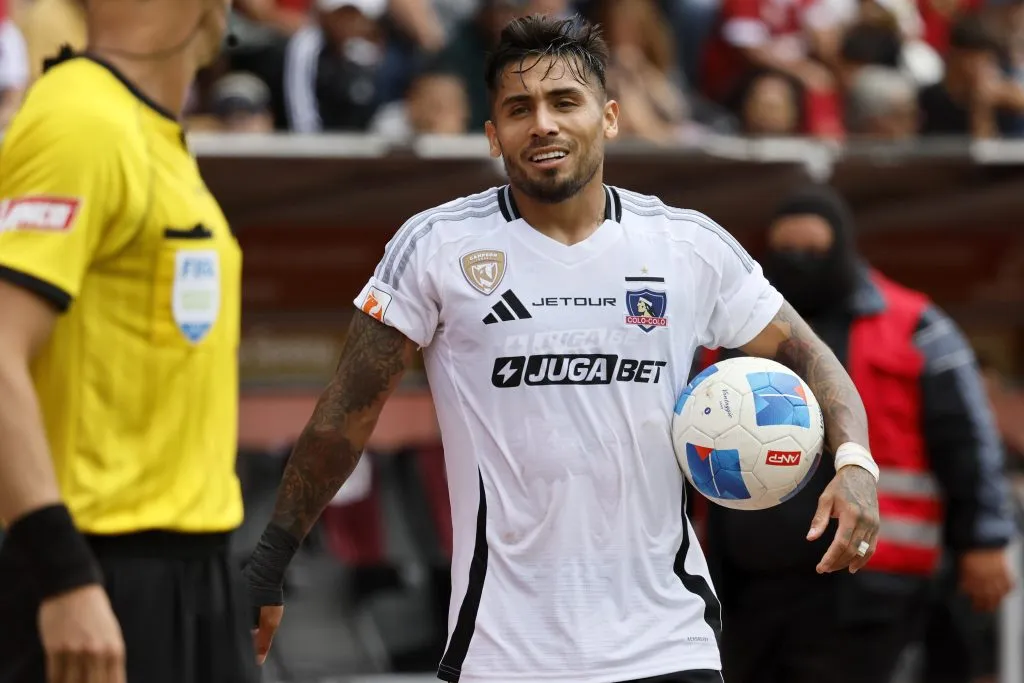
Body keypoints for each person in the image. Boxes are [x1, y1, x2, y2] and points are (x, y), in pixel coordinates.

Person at [244, 14, 882, 683]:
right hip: (504, 652)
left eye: (564, 102)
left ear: (608, 118)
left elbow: (809, 355)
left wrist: (856, 463)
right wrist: (270, 559)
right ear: (493, 135)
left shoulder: (686, 245)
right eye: (519, 109)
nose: (542, 123)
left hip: (667, 644)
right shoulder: (435, 247)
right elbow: (344, 414)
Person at [0, 1, 257, 682]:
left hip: (196, 570)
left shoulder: (145, 128)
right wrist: (64, 578)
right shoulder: (80, 121)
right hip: (100, 577)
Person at [697, 184, 1017, 683]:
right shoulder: (733, 332)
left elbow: (968, 440)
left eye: (812, 250)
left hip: (869, 581)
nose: (798, 262)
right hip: (746, 587)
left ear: (843, 247)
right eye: (786, 251)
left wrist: (985, 539)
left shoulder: (913, 325)